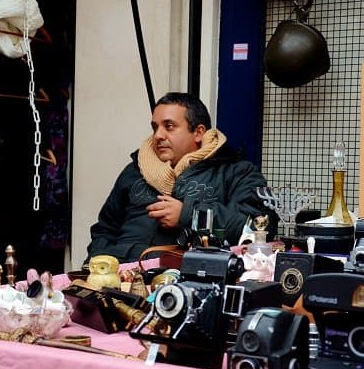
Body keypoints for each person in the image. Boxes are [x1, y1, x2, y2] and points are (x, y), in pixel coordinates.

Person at [86, 92, 276, 263]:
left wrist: (189, 215)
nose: (158, 135)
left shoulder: (236, 172)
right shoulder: (136, 169)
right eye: (155, 127)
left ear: (198, 133)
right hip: (117, 276)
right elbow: (105, 228)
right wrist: (95, 265)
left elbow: (258, 228)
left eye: (169, 126)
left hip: (187, 282)